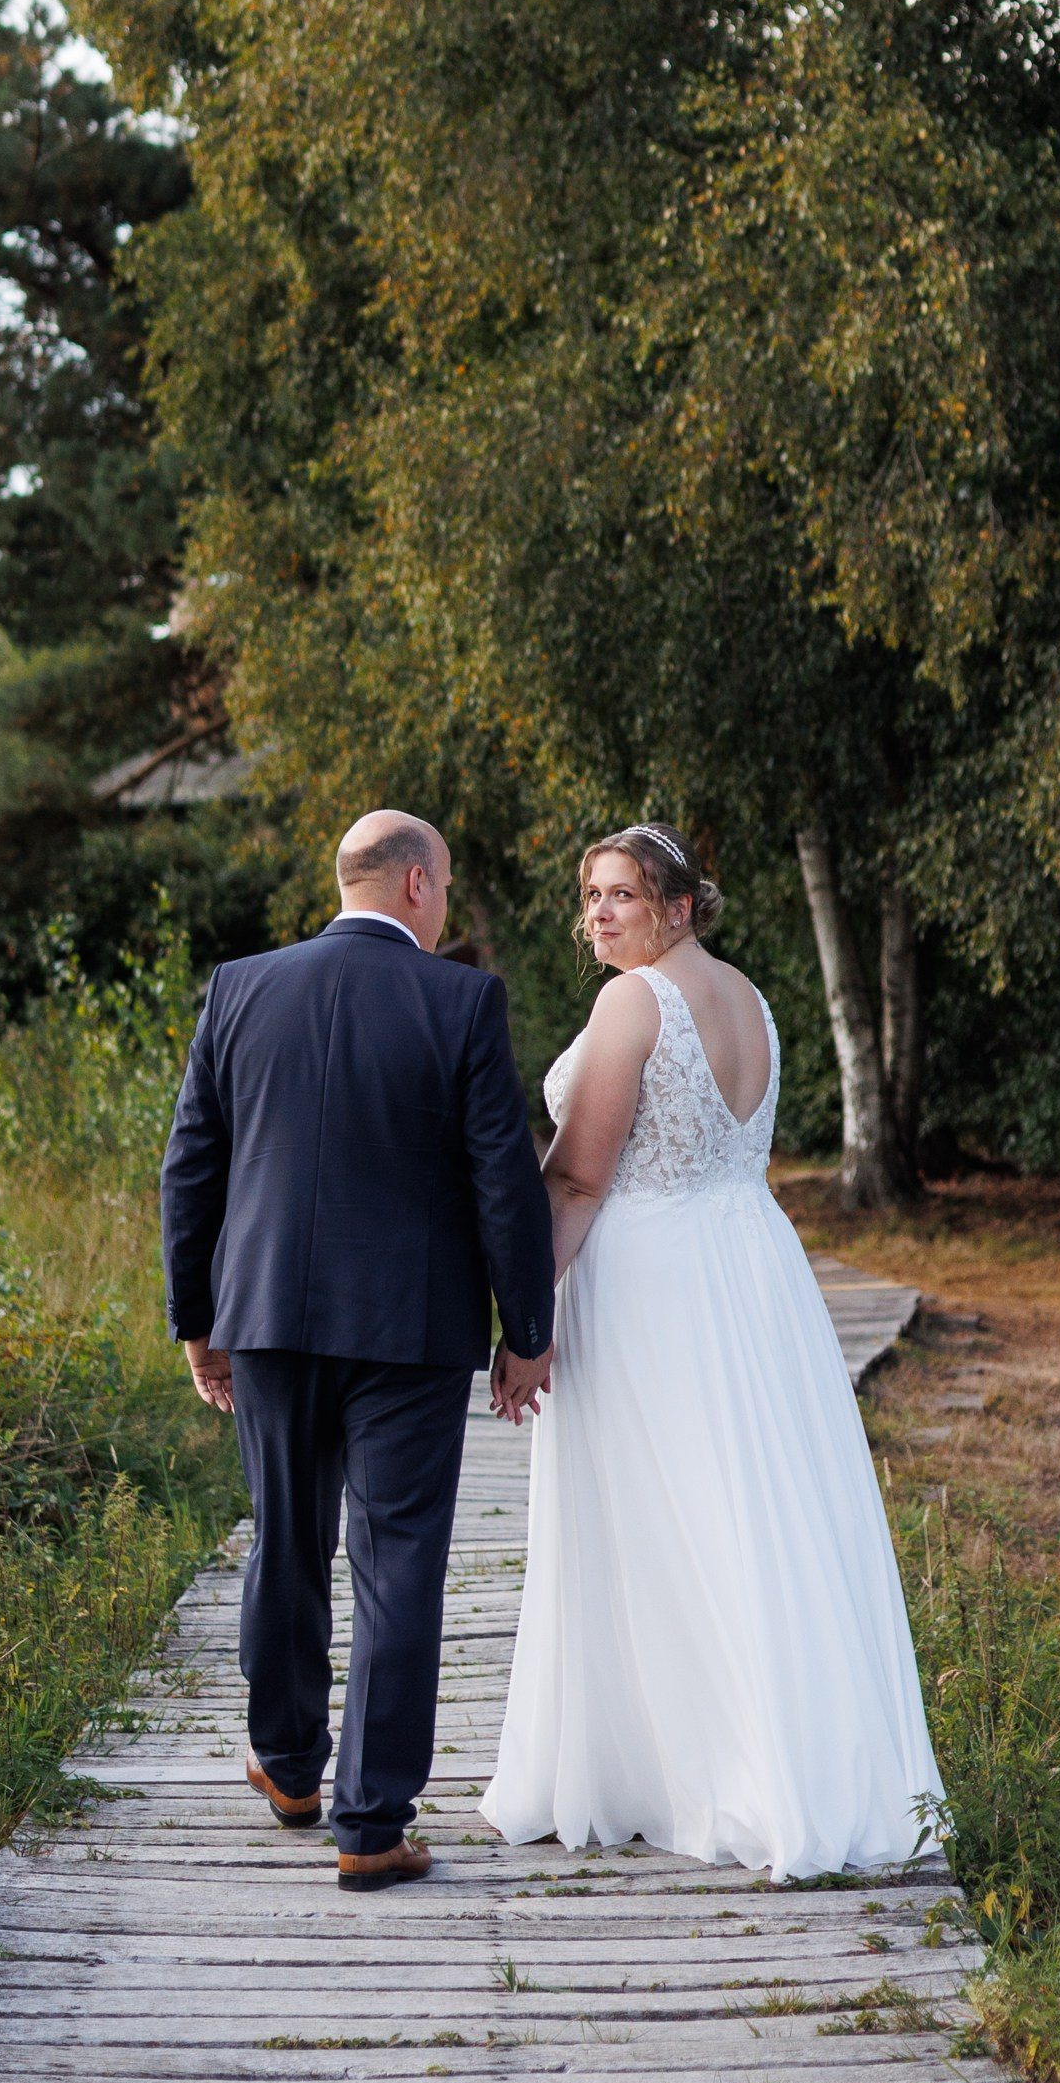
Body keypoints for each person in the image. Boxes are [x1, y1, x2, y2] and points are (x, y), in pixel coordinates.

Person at [480, 823, 945, 1881]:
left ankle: (686, 1770)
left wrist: (525, 1325)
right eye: (591, 896)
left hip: (652, 1278)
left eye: (624, 897)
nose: (599, 915)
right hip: (748, 1264)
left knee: (665, 1514)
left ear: (679, 907)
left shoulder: (631, 1002)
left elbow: (580, 1179)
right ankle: (771, 1760)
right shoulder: (750, 999)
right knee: (751, 1513)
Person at [161, 810, 555, 1892]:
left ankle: (287, 1769)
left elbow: (190, 1165)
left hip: (268, 1319)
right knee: (396, 1565)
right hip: (409, 1330)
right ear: (418, 885)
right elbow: (501, 1181)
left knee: (284, 1536)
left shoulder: (240, 986)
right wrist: (526, 1331)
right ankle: (369, 1823)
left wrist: (196, 1317)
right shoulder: (461, 1000)